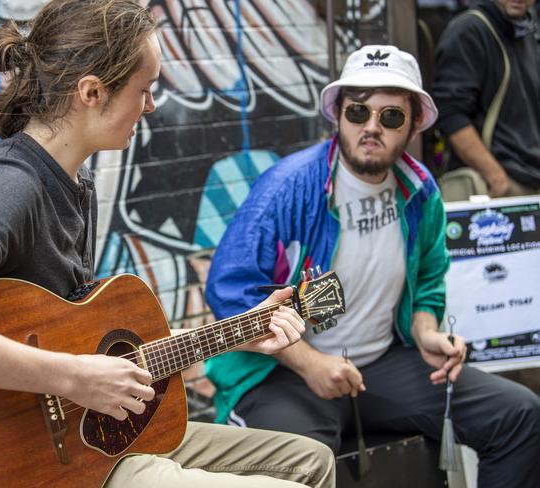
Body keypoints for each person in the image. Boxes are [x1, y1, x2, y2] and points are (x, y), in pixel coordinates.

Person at [0, 1, 335, 487]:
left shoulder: (72, 181)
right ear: (91, 92)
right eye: (144, 90)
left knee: (311, 461)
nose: (150, 105)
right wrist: (74, 378)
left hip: (98, 440)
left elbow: (82, 336)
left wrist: (238, 333)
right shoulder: (10, 183)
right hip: (41, 464)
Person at [205, 44, 540, 487]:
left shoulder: (420, 192)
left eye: (391, 116)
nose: (371, 127)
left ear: (415, 123)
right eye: (358, 112)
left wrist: (427, 332)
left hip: (378, 365)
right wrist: (308, 363)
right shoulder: (287, 188)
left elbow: (429, 282)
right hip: (284, 374)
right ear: (338, 115)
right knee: (301, 465)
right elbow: (230, 292)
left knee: (519, 414)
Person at [433, 0, 540, 200]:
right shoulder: (469, 30)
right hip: (494, 187)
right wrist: (495, 176)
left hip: (529, 181)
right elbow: (450, 114)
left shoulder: (527, 32)